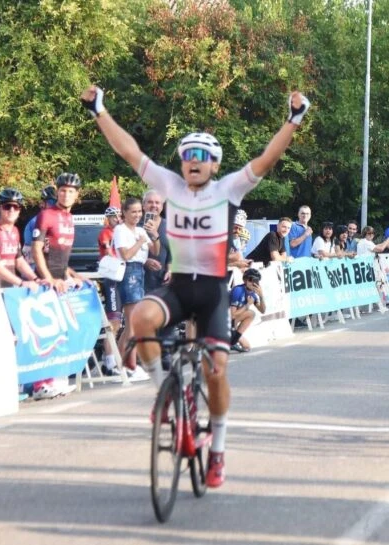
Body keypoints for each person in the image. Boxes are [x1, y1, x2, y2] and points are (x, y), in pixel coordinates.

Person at [82, 83, 309, 488]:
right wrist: (99, 110)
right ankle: (163, 394)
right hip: (178, 285)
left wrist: (293, 119)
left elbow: (267, 158)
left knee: (216, 370)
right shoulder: (169, 186)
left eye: (202, 156)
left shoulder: (229, 189)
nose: (193, 161)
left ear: (214, 164)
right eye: (187, 155)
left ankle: (217, 449)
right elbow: (129, 151)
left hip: (211, 294)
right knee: (142, 321)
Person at [28, 173, 86, 400]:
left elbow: (61, 257)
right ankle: (39, 384)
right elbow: (36, 249)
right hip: (45, 280)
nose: (66, 194)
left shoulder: (69, 219)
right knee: (44, 333)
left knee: (60, 332)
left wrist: (74, 275)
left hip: (61, 280)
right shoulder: (46, 215)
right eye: (63, 190)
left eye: (71, 191)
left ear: (77, 195)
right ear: (57, 192)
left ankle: (54, 379)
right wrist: (47, 277)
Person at [113, 196, 158, 382]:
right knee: (133, 323)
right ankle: (129, 366)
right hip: (128, 273)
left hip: (140, 271)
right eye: (133, 212)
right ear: (124, 212)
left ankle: (121, 365)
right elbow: (125, 254)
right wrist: (140, 242)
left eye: (140, 212)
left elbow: (154, 250)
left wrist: (153, 234)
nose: (137, 215)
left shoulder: (141, 229)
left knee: (131, 325)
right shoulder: (120, 230)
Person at [0, 189, 41, 290]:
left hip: (10, 287)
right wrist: (21, 283)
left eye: (16, 207)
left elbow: (19, 261)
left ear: (19, 210)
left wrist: (36, 279)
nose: (11, 210)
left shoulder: (15, 231)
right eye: (7, 206)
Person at [97, 206, 124, 377]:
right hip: (111, 277)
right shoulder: (106, 233)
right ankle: (109, 362)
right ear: (108, 219)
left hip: (119, 276)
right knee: (113, 322)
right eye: (114, 217)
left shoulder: (120, 232)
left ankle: (113, 359)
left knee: (119, 323)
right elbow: (109, 252)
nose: (117, 219)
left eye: (118, 216)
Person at [229, 267, 265, 353]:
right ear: (245, 280)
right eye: (250, 280)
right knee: (249, 312)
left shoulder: (253, 294)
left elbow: (262, 310)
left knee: (247, 347)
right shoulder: (238, 290)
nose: (253, 283)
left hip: (232, 323)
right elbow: (232, 315)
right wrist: (248, 305)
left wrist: (261, 296)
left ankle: (232, 341)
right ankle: (229, 340)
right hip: (224, 321)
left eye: (255, 281)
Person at [142, 190, 170, 292]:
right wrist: (144, 262)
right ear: (143, 205)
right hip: (139, 283)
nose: (154, 205)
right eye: (150, 202)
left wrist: (171, 271)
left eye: (157, 202)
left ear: (162, 206)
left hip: (163, 283)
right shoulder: (135, 225)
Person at [22, 185, 56, 262]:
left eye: (55, 203)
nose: (53, 206)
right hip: (34, 263)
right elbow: (47, 250)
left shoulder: (49, 220)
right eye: (50, 203)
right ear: (43, 204)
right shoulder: (39, 221)